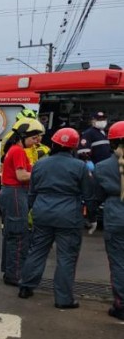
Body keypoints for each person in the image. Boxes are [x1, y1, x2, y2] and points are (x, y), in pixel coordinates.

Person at [18, 128, 94, 309]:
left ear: (53, 143)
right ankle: (63, 299)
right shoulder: (80, 166)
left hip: (42, 212)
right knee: (66, 257)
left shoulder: (40, 164)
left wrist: (33, 210)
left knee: (37, 250)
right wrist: (91, 217)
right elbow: (88, 195)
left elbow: (32, 193)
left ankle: (25, 287)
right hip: (68, 216)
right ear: (73, 147)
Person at [0, 118, 45, 286]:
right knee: (18, 234)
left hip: (11, 193)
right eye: (34, 138)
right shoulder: (18, 151)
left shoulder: (14, 149)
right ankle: (15, 275)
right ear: (23, 136)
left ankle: (9, 272)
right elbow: (21, 176)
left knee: (11, 234)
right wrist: (41, 173)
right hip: (15, 193)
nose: (36, 142)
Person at [88, 120, 124, 321]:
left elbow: (95, 197)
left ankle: (121, 305)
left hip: (116, 217)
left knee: (118, 263)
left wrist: (91, 217)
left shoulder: (102, 167)